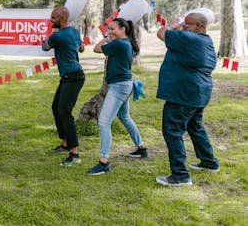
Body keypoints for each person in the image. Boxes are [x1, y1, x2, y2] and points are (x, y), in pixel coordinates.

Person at [155, 12, 219, 187]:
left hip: (183, 93)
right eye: (183, 24)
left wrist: (173, 24)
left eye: (187, 24)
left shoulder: (190, 38)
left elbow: (161, 33)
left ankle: (180, 175)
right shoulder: (206, 41)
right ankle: (209, 162)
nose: (183, 27)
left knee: (172, 130)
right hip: (198, 92)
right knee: (195, 126)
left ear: (199, 25)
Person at [87, 18, 147, 175]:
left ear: (123, 29)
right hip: (124, 84)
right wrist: (110, 35)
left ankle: (103, 162)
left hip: (119, 87)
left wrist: (107, 37)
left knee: (104, 122)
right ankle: (141, 148)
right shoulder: (126, 42)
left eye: (112, 28)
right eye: (108, 28)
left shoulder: (119, 43)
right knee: (125, 117)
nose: (109, 30)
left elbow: (96, 49)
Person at [42, 6, 85, 166]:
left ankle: (74, 154)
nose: (50, 20)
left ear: (62, 19)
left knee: (64, 112)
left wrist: (49, 37)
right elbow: (81, 48)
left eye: (53, 18)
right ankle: (65, 143)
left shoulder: (57, 36)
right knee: (56, 107)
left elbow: (45, 47)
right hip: (71, 76)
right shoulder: (74, 32)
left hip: (73, 77)